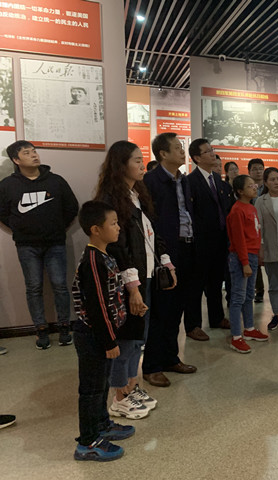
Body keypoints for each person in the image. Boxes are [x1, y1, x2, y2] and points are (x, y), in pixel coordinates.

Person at [95, 141, 167, 417]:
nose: (141, 165)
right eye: (136, 160)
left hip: (144, 274)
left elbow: (151, 233)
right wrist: (133, 287)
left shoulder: (137, 194)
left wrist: (165, 260)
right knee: (126, 338)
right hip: (127, 280)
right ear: (120, 164)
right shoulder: (111, 199)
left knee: (138, 337)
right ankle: (119, 396)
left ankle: (132, 386)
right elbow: (117, 247)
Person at [72, 201, 135, 462]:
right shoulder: (93, 260)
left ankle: (101, 424)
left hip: (101, 334)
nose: (118, 227)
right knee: (91, 389)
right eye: (114, 223)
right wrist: (109, 341)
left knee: (101, 384)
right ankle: (87, 442)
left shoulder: (104, 255)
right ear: (95, 229)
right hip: (93, 336)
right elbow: (97, 306)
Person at [0, 140, 79, 349]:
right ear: (16, 160)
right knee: (34, 287)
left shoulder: (56, 181)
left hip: (55, 243)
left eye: (34, 151)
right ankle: (41, 329)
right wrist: (19, 228)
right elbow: (2, 213)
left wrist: (58, 227)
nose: (34, 155)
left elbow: (71, 207)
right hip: (26, 245)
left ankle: (64, 327)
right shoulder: (8, 185)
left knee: (60, 286)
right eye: (27, 153)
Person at [142, 132, 197, 388]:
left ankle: (170, 358)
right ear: (163, 153)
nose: (182, 151)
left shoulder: (182, 180)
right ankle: (152, 366)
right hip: (164, 252)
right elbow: (150, 221)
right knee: (161, 310)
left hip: (186, 247)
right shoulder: (151, 181)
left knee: (177, 308)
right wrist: (160, 253)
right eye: (177, 148)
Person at [185, 139, 231, 340]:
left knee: (216, 282)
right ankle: (193, 325)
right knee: (196, 285)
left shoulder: (217, 180)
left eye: (212, 150)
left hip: (219, 240)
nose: (213, 153)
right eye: (208, 151)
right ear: (197, 158)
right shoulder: (190, 181)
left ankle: (217, 317)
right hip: (200, 242)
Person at [226, 175, 269, 353]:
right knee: (238, 297)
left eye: (254, 185)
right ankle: (236, 336)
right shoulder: (237, 210)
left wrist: (257, 254)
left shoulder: (251, 207)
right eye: (250, 186)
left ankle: (249, 328)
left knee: (249, 295)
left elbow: (255, 234)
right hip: (240, 257)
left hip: (251, 256)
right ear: (240, 191)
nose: (254, 187)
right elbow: (238, 240)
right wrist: (245, 262)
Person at [254, 167, 278, 331]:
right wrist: (260, 247)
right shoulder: (261, 201)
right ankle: (277, 314)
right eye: (272, 179)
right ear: (266, 183)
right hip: (271, 246)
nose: (276, 182)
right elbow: (258, 226)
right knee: (274, 283)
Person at [248, 158, 266, 303]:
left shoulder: (269, 186)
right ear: (249, 171)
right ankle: (259, 290)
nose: (258, 171)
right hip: (252, 228)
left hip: (269, 227)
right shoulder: (247, 188)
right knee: (256, 260)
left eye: (260, 168)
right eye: (254, 169)